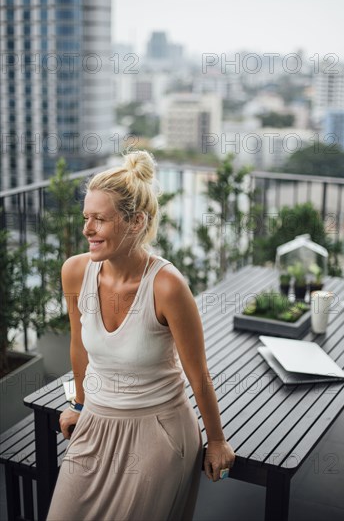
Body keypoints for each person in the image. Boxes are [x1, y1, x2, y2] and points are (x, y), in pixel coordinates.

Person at [47, 150, 235, 521]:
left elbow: (197, 372)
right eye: (86, 217)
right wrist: (80, 404)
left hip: (158, 431)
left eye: (99, 220)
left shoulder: (167, 286)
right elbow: (78, 346)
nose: (87, 229)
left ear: (136, 222)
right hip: (96, 422)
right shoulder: (74, 272)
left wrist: (216, 440)